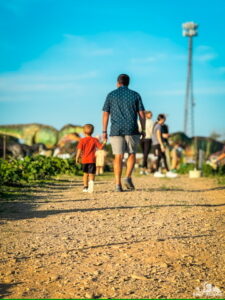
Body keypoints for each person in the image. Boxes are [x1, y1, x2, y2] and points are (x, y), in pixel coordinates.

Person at [102, 74, 145, 192]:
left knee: (118, 156)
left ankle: (117, 184)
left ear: (118, 82)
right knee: (131, 153)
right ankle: (128, 177)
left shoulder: (111, 95)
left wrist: (104, 131)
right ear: (128, 83)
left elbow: (106, 113)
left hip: (116, 129)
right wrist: (144, 129)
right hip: (132, 128)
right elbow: (141, 114)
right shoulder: (135, 95)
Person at [76, 124, 104, 193]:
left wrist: (77, 157)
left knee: (85, 174)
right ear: (93, 131)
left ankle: (85, 187)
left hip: (84, 160)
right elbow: (100, 147)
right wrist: (105, 142)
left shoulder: (82, 140)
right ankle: (91, 183)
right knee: (91, 173)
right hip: (92, 160)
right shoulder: (95, 140)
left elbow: (79, 150)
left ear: (83, 132)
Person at [138, 110, 154, 175]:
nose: (151, 116)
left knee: (145, 155)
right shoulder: (151, 122)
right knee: (145, 155)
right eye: (150, 114)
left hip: (142, 139)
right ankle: (143, 169)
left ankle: (145, 169)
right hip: (147, 139)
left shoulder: (139, 121)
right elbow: (152, 131)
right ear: (146, 114)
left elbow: (138, 130)